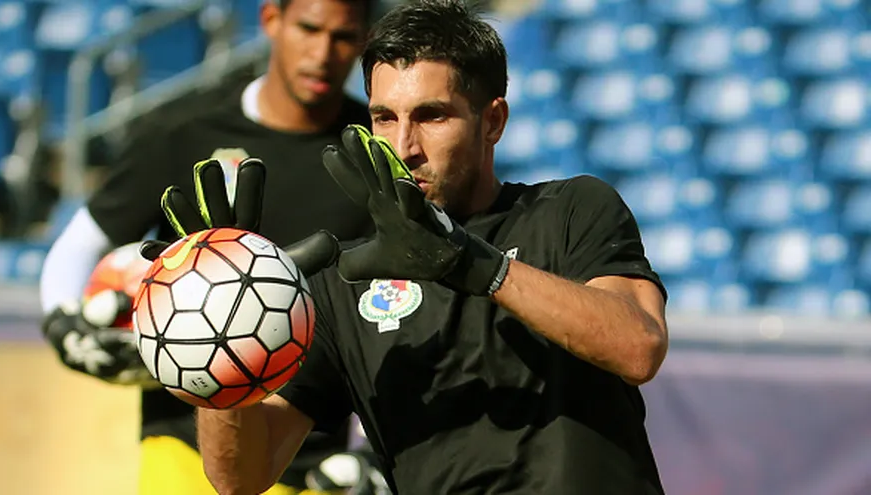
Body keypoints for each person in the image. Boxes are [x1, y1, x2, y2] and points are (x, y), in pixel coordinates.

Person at [152, 1, 671, 493]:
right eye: (384, 117)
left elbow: (638, 347)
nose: (405, 147)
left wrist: (476, 265)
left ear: (493, 121)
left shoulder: (571, 208)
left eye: (431, 115)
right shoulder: (342, 283)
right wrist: (219, 348)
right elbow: (241, 478)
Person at [38, 0, 377, 493]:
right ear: (270, 20)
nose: (323, 52)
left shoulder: (370, 149)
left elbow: (395, 309)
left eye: (343, 36)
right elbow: (82, 241)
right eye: (309, 28)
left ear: (364, 40)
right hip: (182, 445)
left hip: (316, 460)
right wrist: (62, 325)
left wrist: (373, 448)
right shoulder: (182, 132)